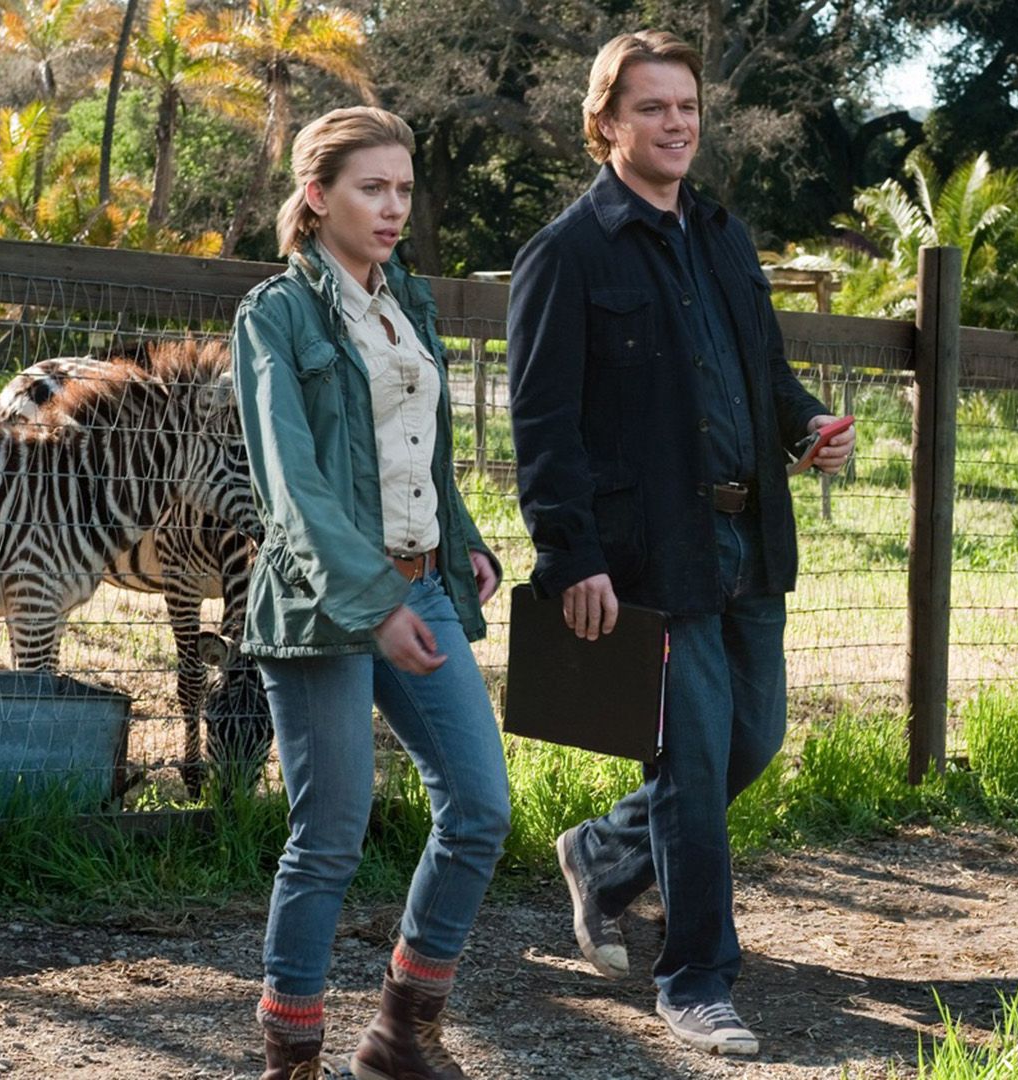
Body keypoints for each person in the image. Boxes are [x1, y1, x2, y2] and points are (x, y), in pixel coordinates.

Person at [505, 29, 855, 1057]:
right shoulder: (566, 254)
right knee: (696, 766)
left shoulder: (721, 235)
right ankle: (696, 980)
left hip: (749, 542)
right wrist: (571, 556)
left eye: (687, 107)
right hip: (651, 554)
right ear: (606, 122)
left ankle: (607, 856)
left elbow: (765, 370)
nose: (676, 124)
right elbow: (543, 425)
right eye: (653, 107)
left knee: (757, 739)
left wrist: (803, 427)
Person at [233, 105, 509, 1080]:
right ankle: (292, 1059)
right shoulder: (276, 314)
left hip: (422, 586)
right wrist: (372, 605)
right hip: (322, 606)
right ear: (317, 197)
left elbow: (423, 455)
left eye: (402, 189)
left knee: (480, 806)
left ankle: (401, 1033)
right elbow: (291, 484)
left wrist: (461, 544)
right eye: (371, 189)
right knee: (331, 837)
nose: (394, 207)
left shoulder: (409, 304)